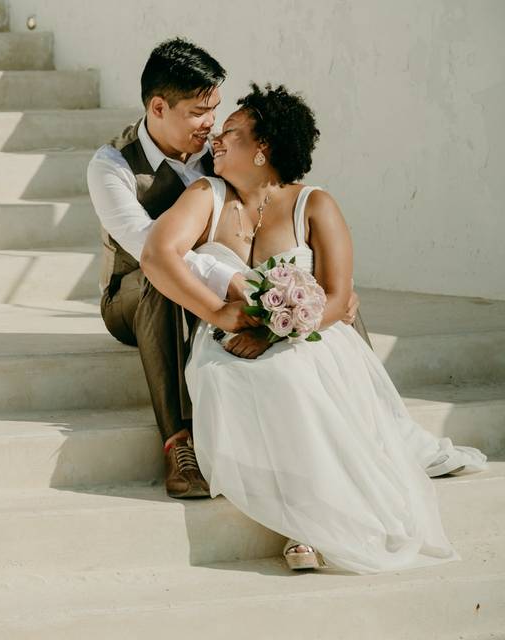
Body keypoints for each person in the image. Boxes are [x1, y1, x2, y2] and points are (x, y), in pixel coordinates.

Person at [139, 83, 488, 573]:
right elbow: (157, 254)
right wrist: (219, 315)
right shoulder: (207, 195)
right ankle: (304, 520)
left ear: (263, 149)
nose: (216, 138)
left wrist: (278, 330)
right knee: (232, 376)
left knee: (294, 377)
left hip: (305, 337)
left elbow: (338, 297)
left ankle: (306, 526)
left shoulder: (316, 205)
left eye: (232, 132)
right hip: (226, 344)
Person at [86, 37, 366, 500]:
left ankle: (368, 418)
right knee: (160, 277)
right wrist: (231, 287)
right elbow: (152, 249)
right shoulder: (111, 166)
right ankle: (179, 444)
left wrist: (317, 296)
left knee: (320, 288)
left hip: (215, 288)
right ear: (158, 107)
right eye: (198, 111)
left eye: (214, 109)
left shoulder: (217, 153)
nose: (210, 123)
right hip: (132, 296)